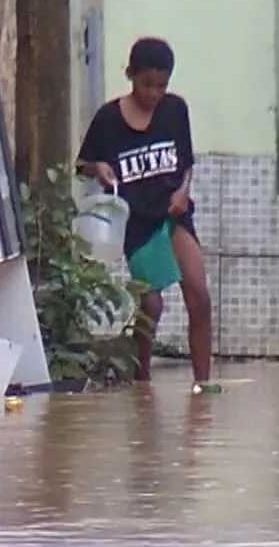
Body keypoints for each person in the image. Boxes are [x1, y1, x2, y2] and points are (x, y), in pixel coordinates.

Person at [74, 36, 217, 393]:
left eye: (162, 85)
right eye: (147, 84)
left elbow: (186, 163)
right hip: (136, 221)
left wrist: (183, 192)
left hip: (173, 214)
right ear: (130, 75)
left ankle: (203, 384)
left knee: (198, 295)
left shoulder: (175, 111)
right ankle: (143, 378)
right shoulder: (108, 119)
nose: (154, 93)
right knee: (151, 303)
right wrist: (99, 168)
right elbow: (81, 164)